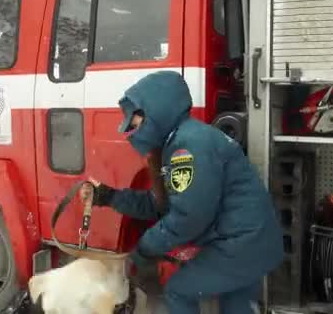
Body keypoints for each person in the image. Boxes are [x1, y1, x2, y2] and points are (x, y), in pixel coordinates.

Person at [81, 70, 284, 313]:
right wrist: (108, 196)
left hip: (241, 245)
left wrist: (145, 250)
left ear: (158, 111)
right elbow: (161, 204)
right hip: (250, 242)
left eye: (137, 123)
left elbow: (188, 217)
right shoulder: (181, 140)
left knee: (179, 290)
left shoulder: (188, 147)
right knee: (237, 304)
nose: (133, 132)